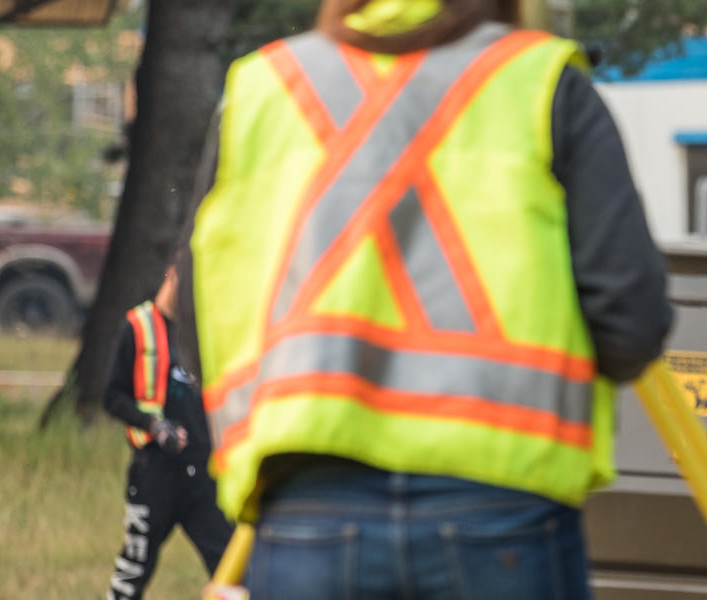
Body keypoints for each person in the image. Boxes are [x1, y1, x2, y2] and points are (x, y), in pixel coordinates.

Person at [182, 0, 674, 597]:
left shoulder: (261, 87)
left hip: (307, 501)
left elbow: (199, 300)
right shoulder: (541, 80)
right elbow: (631, 323)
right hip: (503, 504)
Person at [103, 266, 232, 600]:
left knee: (232, 568)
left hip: (202, 474)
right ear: (171, 276)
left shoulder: (205, 327)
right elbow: (112, 397)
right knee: (134, 570)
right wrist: (154, 426)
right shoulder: (138, 326)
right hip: (155, 473)